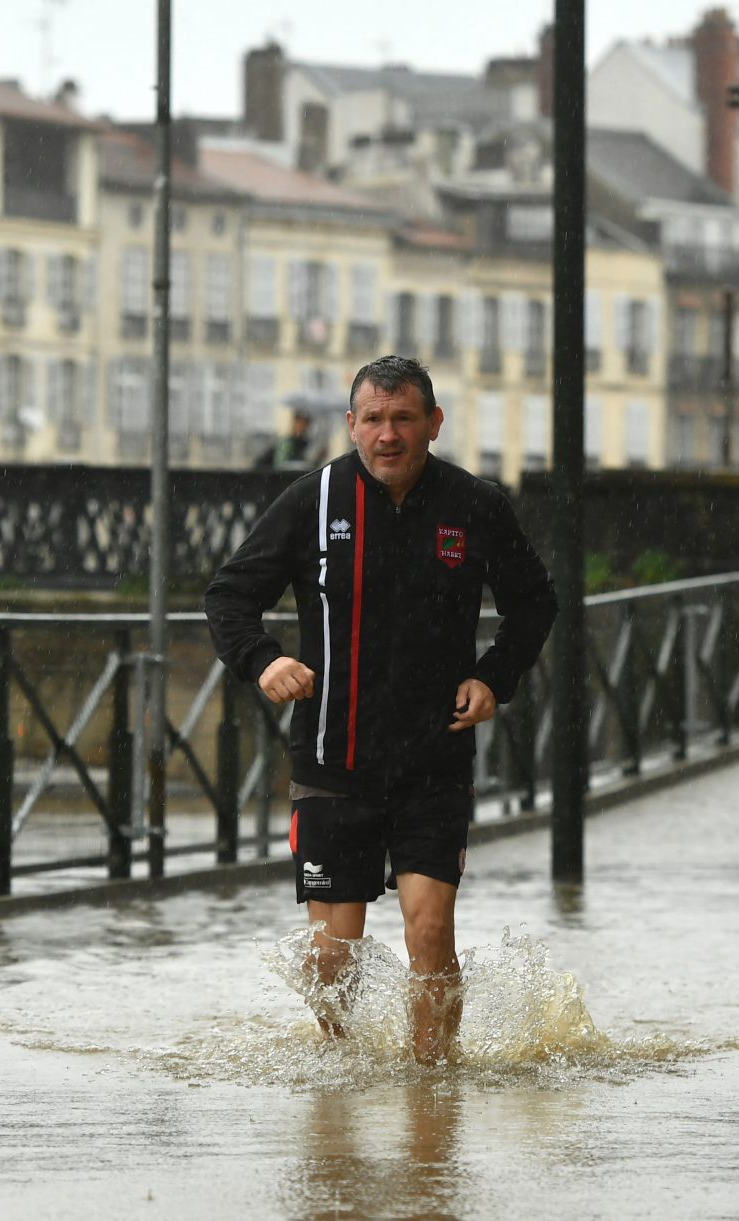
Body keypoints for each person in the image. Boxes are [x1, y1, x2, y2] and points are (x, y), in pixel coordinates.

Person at [205, 356, 556, 1063]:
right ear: (351, 426)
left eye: (403, 419)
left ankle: (431, 1091)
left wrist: (494, 678)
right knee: (333, 956)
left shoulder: (475, 505)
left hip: (435, 761)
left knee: (429, 932)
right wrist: (264, 659)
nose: (387, 435)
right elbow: (229, 595)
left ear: (433, 423)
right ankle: (348, 1075)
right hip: (335, 760)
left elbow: (535, 602)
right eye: (373, 420)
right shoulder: (313, 499)